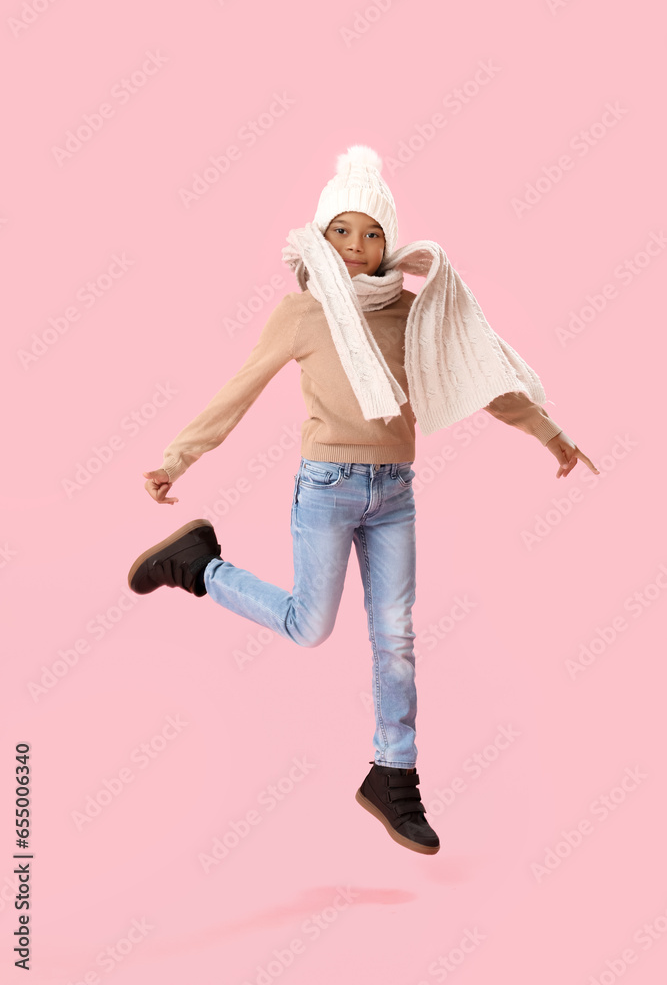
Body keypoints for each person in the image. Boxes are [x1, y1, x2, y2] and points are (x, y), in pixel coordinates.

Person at [127, 145, 599, 856]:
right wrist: (177, 457)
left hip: (395, 493)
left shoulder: (413, 312)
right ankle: (200, 567)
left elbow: (481, 381)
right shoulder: (302, 312)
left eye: (371, 233)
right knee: (309, 626)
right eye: (342, 231)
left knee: (397, 640)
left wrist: (550, 433)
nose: (355, 246)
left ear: (388, 244)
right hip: (326, 487)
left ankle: (393, 774)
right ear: (321, 237)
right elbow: (241, 387)